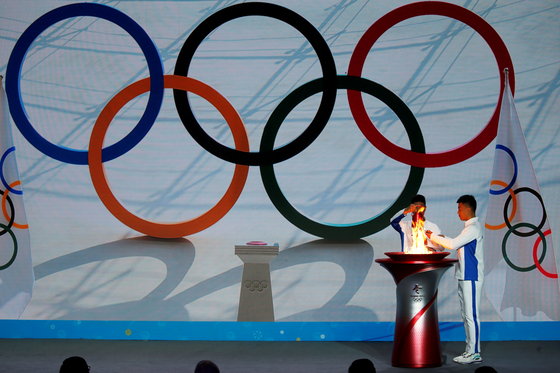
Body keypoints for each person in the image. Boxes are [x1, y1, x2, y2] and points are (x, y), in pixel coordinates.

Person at [426, 195, 484, 365]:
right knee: (466, 315)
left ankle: (474, 352)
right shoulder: (468, 228)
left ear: (468, 209)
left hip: (471, 277)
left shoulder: (473, 228)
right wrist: (439, 238)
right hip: (464, 276)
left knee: (472, 315)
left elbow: (452, 244)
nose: (457, 212)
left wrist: (432, 235)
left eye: (459, 208)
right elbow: (454, 243)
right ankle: (470, 350)